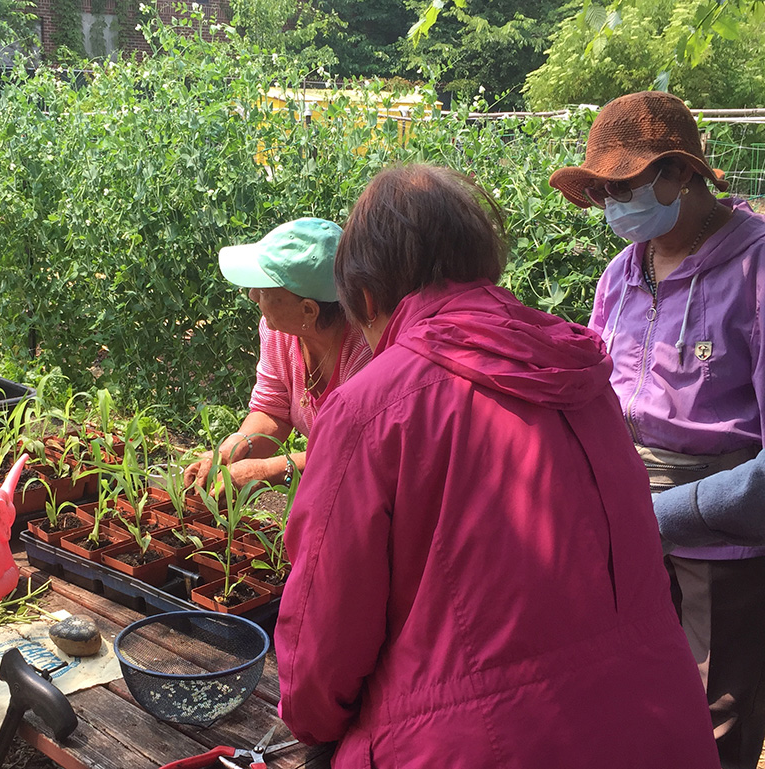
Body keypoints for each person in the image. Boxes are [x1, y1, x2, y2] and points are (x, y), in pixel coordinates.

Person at [274, 164, 719, 768]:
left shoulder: (372, 406)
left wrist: (314, 727)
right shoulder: (580, 377)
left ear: (370, 298)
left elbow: (323, 643)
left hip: (482, 744)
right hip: (659, 726)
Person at [550, 91, 765, 769]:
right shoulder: (622, 273)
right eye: (603, 190)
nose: (612, 205)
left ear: (680, 174)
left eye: (626, 185)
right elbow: (597, 390)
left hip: (722, 526)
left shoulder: (754, 270)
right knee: (637, 685)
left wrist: (667, 510)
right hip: (630, 517)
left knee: (716, 704)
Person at [183, 218, 371, 489]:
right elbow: (274, 409)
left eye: (264, 289)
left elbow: (353, 452)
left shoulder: (366, 353)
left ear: (308, 310)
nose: (252, 295)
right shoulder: (279, 331)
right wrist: (234, 448)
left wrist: (266, 470)